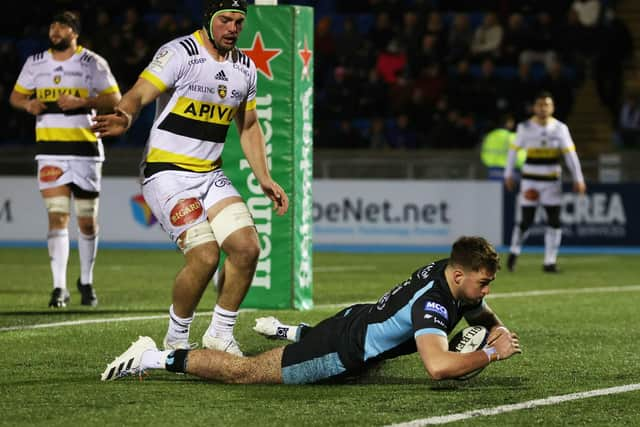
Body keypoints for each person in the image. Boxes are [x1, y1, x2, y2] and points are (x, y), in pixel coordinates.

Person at [91, 0, 289, 356]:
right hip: (166, 173)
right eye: (225, 20)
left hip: (210, 174)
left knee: (247, 249)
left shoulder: (245, 67)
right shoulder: (180, 53)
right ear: (209, 20)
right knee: (205, 256)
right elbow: (139, 92)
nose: (232, 28)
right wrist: (124, 114)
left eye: (239, 22)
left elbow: (249, 126)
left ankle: (220, 334)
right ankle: (177, 338)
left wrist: (265, 177)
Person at [101, 236, 521, 384]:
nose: (485, 290)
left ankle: (289, 331)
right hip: (342, 347)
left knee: (368, 364)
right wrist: (489, 353)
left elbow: (482, 314)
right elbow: (437, 367)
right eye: (483, 281)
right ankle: (152, 356)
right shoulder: (433, 301)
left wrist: (495, 329)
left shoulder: (452, 281)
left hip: (357, 318)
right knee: (244, 372)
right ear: (461, 274)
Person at [9, 11, 122, 308]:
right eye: (52, 25)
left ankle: (86, 280)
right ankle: (59, 287)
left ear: (75, 33)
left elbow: (115, 99)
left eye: (62, 25)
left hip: (85, 150)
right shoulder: (35, 63)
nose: (55, 30)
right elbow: (16, 97)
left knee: (86, 221)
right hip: (50, 150)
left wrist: (83, 102)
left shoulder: (92, 62)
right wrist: (29, 104)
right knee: (57, 216)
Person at [504, 91, 587, 273]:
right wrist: (508, 174)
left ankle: (549, 261)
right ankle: (514, 253)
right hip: (530, 182)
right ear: (535, 107)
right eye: (540, 105)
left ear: (552, 107)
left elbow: (570, 155)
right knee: (526, 221)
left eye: (546, 105)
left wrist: (578, 178)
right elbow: (513, 152)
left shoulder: (560, 128)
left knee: (554, 221)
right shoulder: (524, 127)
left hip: (551, 183)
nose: (543, 108)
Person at [480, 113, 526, 180]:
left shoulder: (490, 136)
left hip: (493, 171)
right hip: (511, 172)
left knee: (494, 190)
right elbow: (521, 157)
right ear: (508, 123)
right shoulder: (512, 137)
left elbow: (484, 154)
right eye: (512, 122)